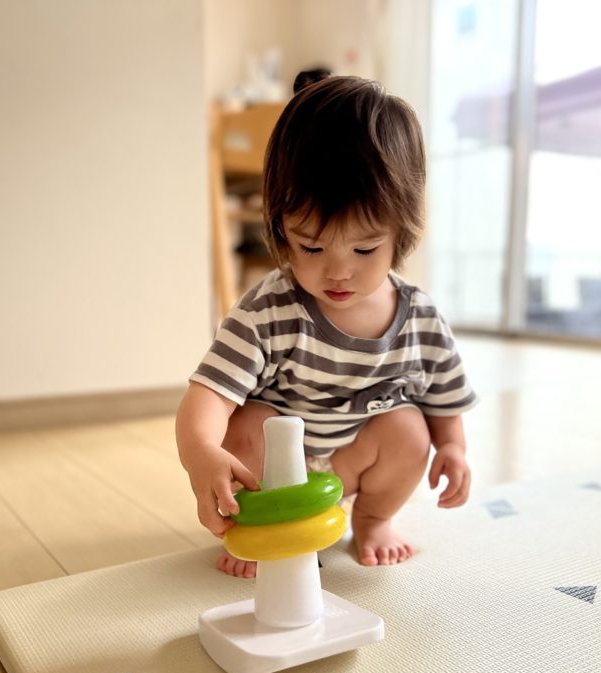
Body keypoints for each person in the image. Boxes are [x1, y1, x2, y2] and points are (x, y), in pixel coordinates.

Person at [176, 74, 477, 578]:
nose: (338, 272)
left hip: (355, 462)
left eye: (365, 249)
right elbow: (209, 395)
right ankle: (261, 526)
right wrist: (200, 451)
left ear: (403, 231)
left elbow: (445, 401)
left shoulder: (419, 320)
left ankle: (374, 520)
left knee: (409, 430)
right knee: (246, 425)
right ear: (280, 226)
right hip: (276, 468)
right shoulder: (269, 310)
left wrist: (453, 447)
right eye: (312, 247)